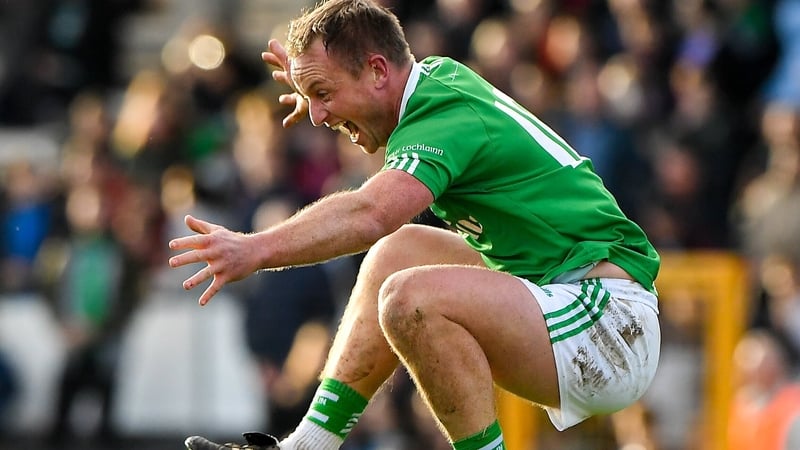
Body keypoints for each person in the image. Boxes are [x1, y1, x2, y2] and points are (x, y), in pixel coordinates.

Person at [168, 1, 662, 449]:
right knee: (398, 254)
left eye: (323, 93)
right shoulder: (432, 83)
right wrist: (329, 96)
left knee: (411, 297)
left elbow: (371, 212)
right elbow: (381, 210)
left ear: (378, 71)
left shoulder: (442, 114)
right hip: (556, 294)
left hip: (609, 325)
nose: (316, 117)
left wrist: (255, 250)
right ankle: (304, 448)